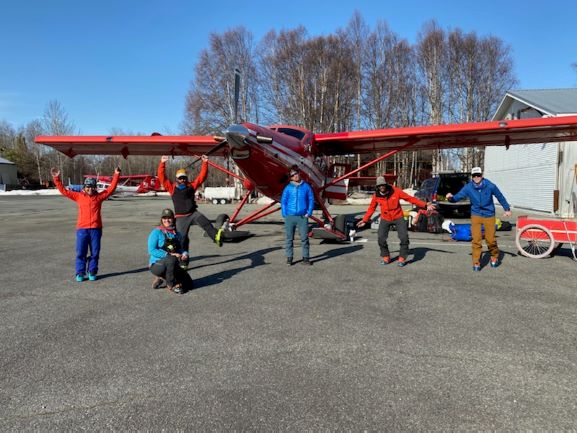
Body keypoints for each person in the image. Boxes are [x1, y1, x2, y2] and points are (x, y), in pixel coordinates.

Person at [51, 167, 120, 281]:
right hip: (82, 229)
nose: (90, 189)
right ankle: (80, 272)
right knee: (81, 252)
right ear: (84, 187)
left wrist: (116, 174)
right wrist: (56, 178)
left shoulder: (99, 197)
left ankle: (92, 271)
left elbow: (111, 189)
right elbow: (64, 191)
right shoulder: (78, 196)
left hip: (96, 230)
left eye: (92, 187)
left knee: (95, 252)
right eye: (88, 187)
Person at [158, 155, 224, 269]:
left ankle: (216, 238)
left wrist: (205, 162)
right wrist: (162, 163)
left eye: (184, 177)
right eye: (180, 178)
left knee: (206, 222)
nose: (182, 179)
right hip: (180, 218)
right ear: (177, 179)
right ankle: (183, 262)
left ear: (186, 178)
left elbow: (201, 177)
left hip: (193, 213)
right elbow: (162, 178)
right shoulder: (172, 187)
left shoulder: (191, 186)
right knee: (182, 241)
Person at [357, 176, 435, 267]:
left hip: (398, 217)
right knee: (381, 239)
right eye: (379, 185)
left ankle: (402, 258)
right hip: (385, 218)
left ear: (385, 184)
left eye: (383, 185)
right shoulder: (376, 195)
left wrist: (425, 205)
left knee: (404, 238)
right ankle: (385, 256)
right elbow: (371, 208)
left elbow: (410, 198)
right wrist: (365, 220)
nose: (381, 187)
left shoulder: (395, 191)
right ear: (377, 187)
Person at [446, 166, 511, 271]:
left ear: (482, 175)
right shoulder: (468, 187)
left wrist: (507, 209)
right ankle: (476, 261)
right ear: (472, 177)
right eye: (474, 175)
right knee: (476, 239)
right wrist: (450, 198)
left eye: (478, 175)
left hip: (489, 214)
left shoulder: (490, 185)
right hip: (476, 214)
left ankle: (494, 256)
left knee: (490, 240)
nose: (476, 177)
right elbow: (457, 197)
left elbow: (500, 196)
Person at [148, 208, 191, 294]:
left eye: (169, 218)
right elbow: (152, 250)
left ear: (173, 219)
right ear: (161, 220)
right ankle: (171, 284)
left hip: (172, 264)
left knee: (189, 284)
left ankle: (162, 278)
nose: (166, 220)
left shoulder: (176, 234)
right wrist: (169, 254)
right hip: (157, 265)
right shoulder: (156, 232)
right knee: (171, 259)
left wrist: (184, 253)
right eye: (164, 218)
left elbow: (179, 249)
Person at [280, 166, 315, 265]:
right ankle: (289, 258)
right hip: (290, 217)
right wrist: (284, 214)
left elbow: (311, 199)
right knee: (289, 238)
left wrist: (309, 212)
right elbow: (283, 201)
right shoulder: (288, 188)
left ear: (299, 173)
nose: (295, 176)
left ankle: (306, 258)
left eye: (296, 173)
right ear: (290, 177)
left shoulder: (306, 187)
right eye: (293, 175)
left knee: (304, 238)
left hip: (302, 216)